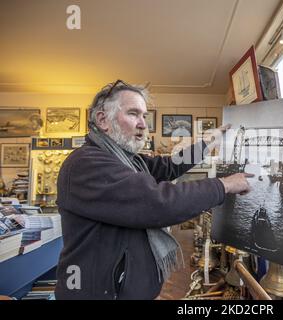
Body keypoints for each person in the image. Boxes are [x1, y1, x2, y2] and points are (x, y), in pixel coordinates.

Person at [55, 80, 253, 300]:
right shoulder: (87, 163)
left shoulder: (127, 159)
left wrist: (208, 142)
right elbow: (158, 202)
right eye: (133, 114)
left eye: (144, 116)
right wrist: (223, 185)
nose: (143, 124)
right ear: (102, 120)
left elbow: (168, 166)